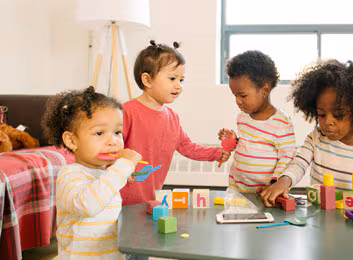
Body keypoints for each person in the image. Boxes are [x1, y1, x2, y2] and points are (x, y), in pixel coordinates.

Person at [259, 60, 353, 206]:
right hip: (319, 217)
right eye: (321, 114)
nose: (328, 122)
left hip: (352, 218)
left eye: (338, 115)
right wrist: (283, 182)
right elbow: (298, 164)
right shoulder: (316, 139)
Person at [121, 40, 231, 205]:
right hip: (120, 196)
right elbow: (112, 147)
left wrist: (216, 153)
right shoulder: (127, 112)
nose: (178, 86)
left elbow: (187, 147)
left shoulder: (172, 117)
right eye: (172, 78)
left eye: (181, 80)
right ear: (147, 80)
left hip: (151, 197)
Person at [41, 86, 141, 259]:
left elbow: (105, 202)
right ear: (71, 140)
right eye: (100, 133)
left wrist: (120, 174)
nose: (113, 141)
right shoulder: (69, 175)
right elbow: (88, 205)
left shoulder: (105, 175)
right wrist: (121, 168)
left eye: (117, 132)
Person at [218, 50, 297, 193]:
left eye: (242, 95)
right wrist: (234, 141)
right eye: (235, 95)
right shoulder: (242, 117)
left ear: (265, 89)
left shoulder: (281, 123)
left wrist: (275, 183)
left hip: (265, 192)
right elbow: (249, 143)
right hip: (238, 188)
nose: (238, 101)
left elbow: (287, 156)